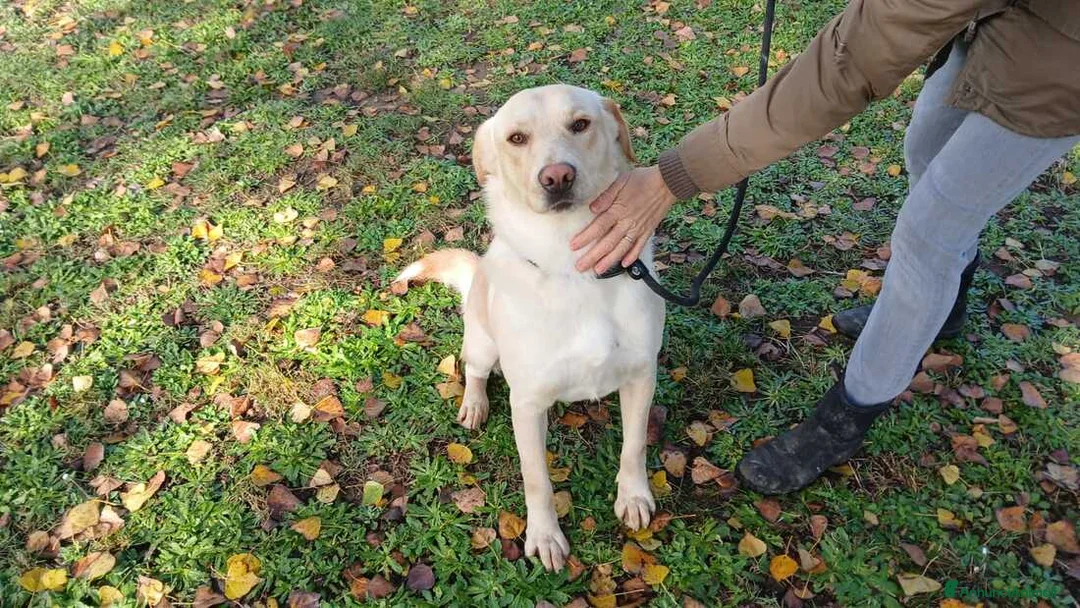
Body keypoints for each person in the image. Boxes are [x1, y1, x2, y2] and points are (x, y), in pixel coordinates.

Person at [570, 0, 1080, 494]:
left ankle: (846, 417)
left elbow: (853, 57)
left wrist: (674, 176)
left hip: (1060, 65)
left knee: (930, 234)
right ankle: (946, 311)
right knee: (926, 147)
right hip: (999, 23)